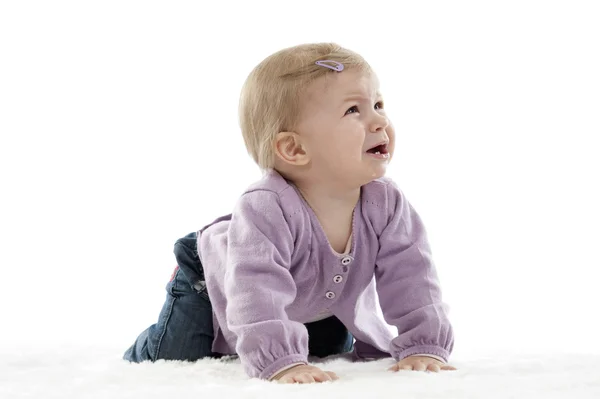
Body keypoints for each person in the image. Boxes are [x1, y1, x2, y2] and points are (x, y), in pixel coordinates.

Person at [123, 42, 456, 383]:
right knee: (178, 356)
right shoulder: (266, 207)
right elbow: (257, 289)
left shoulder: (386, 203)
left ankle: (273, 340)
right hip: (212, 279)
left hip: (316, 299)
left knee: (323, 357)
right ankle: (145, 345)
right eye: (353, 111)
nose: (379, 120)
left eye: (378, 104)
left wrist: (424, 346)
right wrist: (279, 360)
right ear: (294, 148)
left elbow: (413, 276)